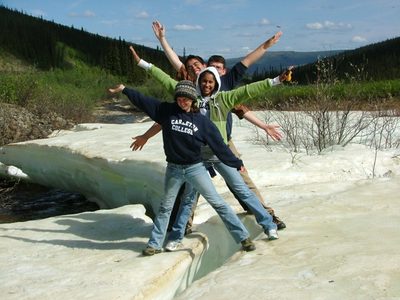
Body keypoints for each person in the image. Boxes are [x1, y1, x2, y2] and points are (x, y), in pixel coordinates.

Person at [131, 22, 288, 230]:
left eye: (198, 65)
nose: (194, 69)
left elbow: (244, 96)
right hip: (196, 145)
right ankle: (183, 224)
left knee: (241, 181)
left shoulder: (225, 83)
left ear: (207, 68)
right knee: (191, 186)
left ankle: (266, 215)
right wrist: (160, 42)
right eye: (190, 68)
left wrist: (268, 45)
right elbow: (166, 99)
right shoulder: (187, 92)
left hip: (223, 142)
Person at [108, 80, 256, 256]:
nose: (182, 102)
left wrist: (236, 163)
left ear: (193, 99)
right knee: (165, 207)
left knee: (217, 202)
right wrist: (125, 89)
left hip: (196, 168)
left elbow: (219, 146)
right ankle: (154, 244)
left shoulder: (202, 122)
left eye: (186, 99)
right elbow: (144, 100)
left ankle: (243, 238)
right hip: (174, 169)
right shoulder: (166, 112)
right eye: (179, 98)